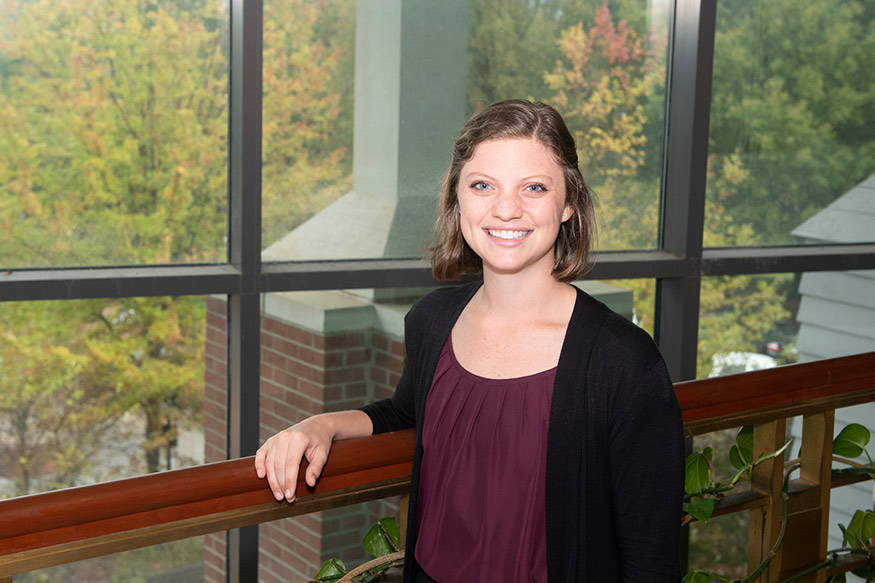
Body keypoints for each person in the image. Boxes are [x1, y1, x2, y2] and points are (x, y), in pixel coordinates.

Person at [255, 99, 685, 582]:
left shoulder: (623, 361)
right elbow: (407, 414)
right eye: (483, 185)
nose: (506, 209)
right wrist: (322, 425)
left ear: (568, 204)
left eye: (534, 188)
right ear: (457, 198)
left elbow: (652, 561)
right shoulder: (432, 320)